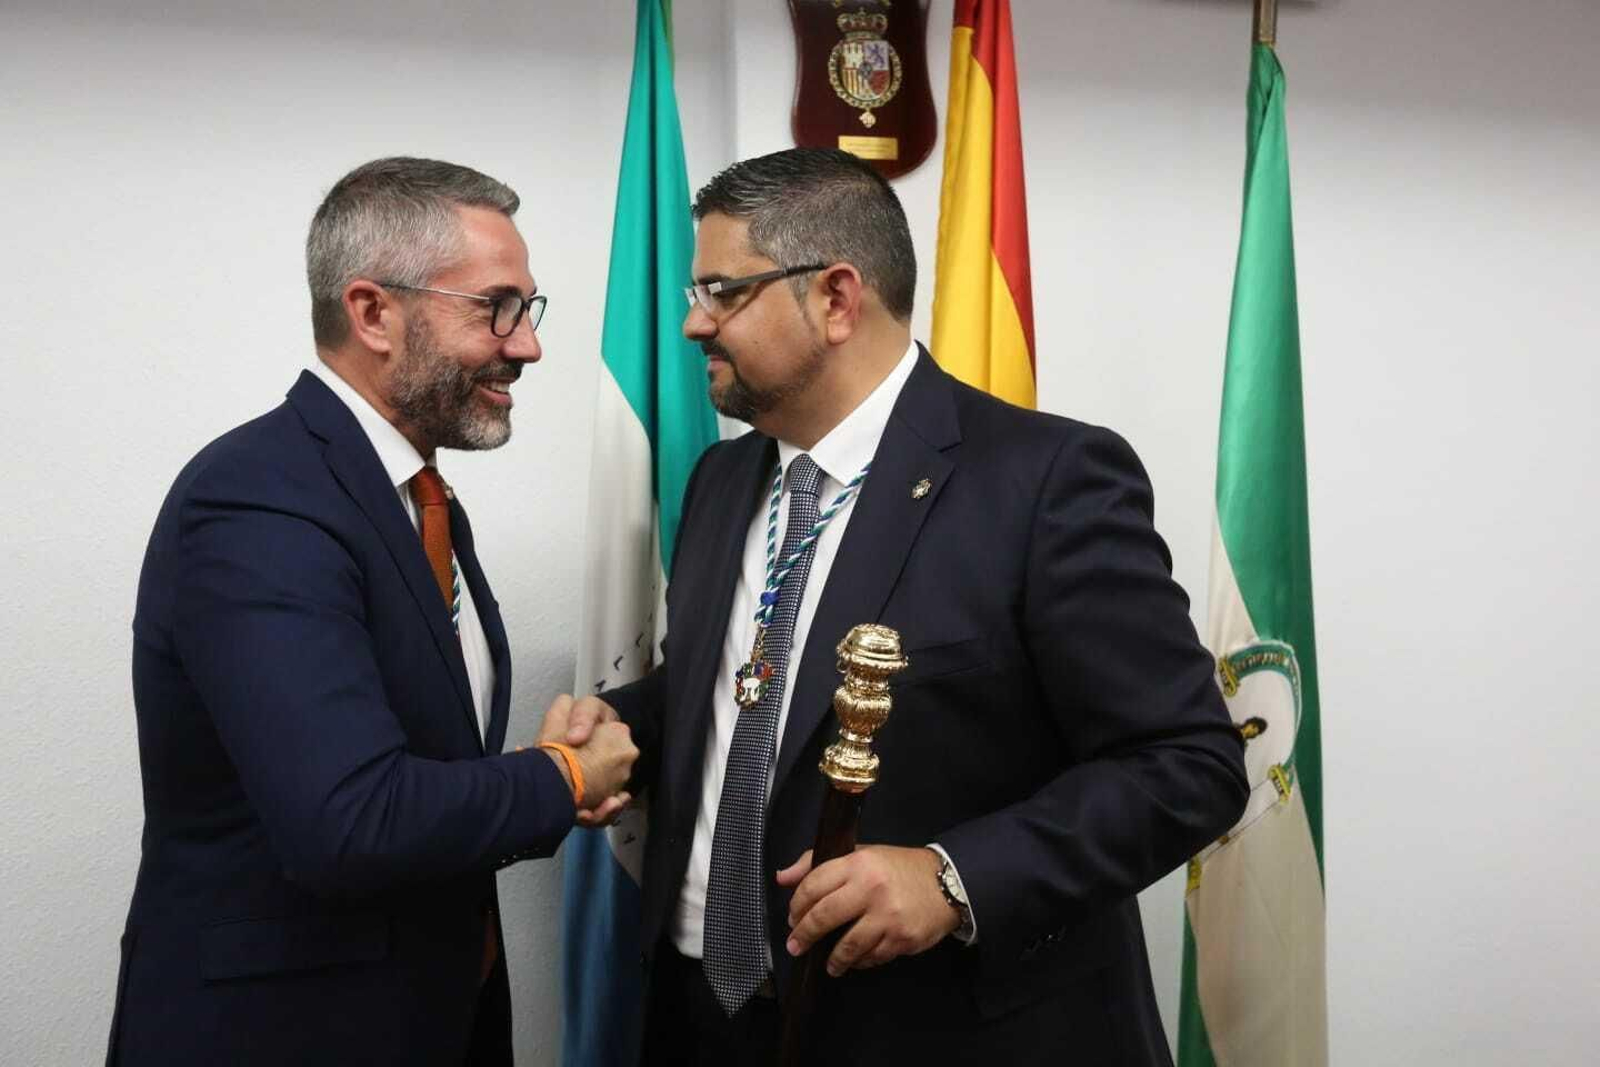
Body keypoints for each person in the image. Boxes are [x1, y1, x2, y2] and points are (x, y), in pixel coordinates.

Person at [570, 148, 1249, 1065]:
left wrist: (952, 877)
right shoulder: (724, 477)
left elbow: (1190, 763)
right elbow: (746, 684)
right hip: (704, 1018)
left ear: (837, 298)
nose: (694, 323)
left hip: (936, 1030)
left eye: (721, 291)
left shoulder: (1044, 482)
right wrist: (624, 722)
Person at [107, 157, 636, 1066]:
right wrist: (562, 777)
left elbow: (403, 760)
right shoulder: (257, 499)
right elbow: (349, 820)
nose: (527, 344)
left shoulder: (415, 494)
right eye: (495, 307)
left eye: (527, 309)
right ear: (372, 312)